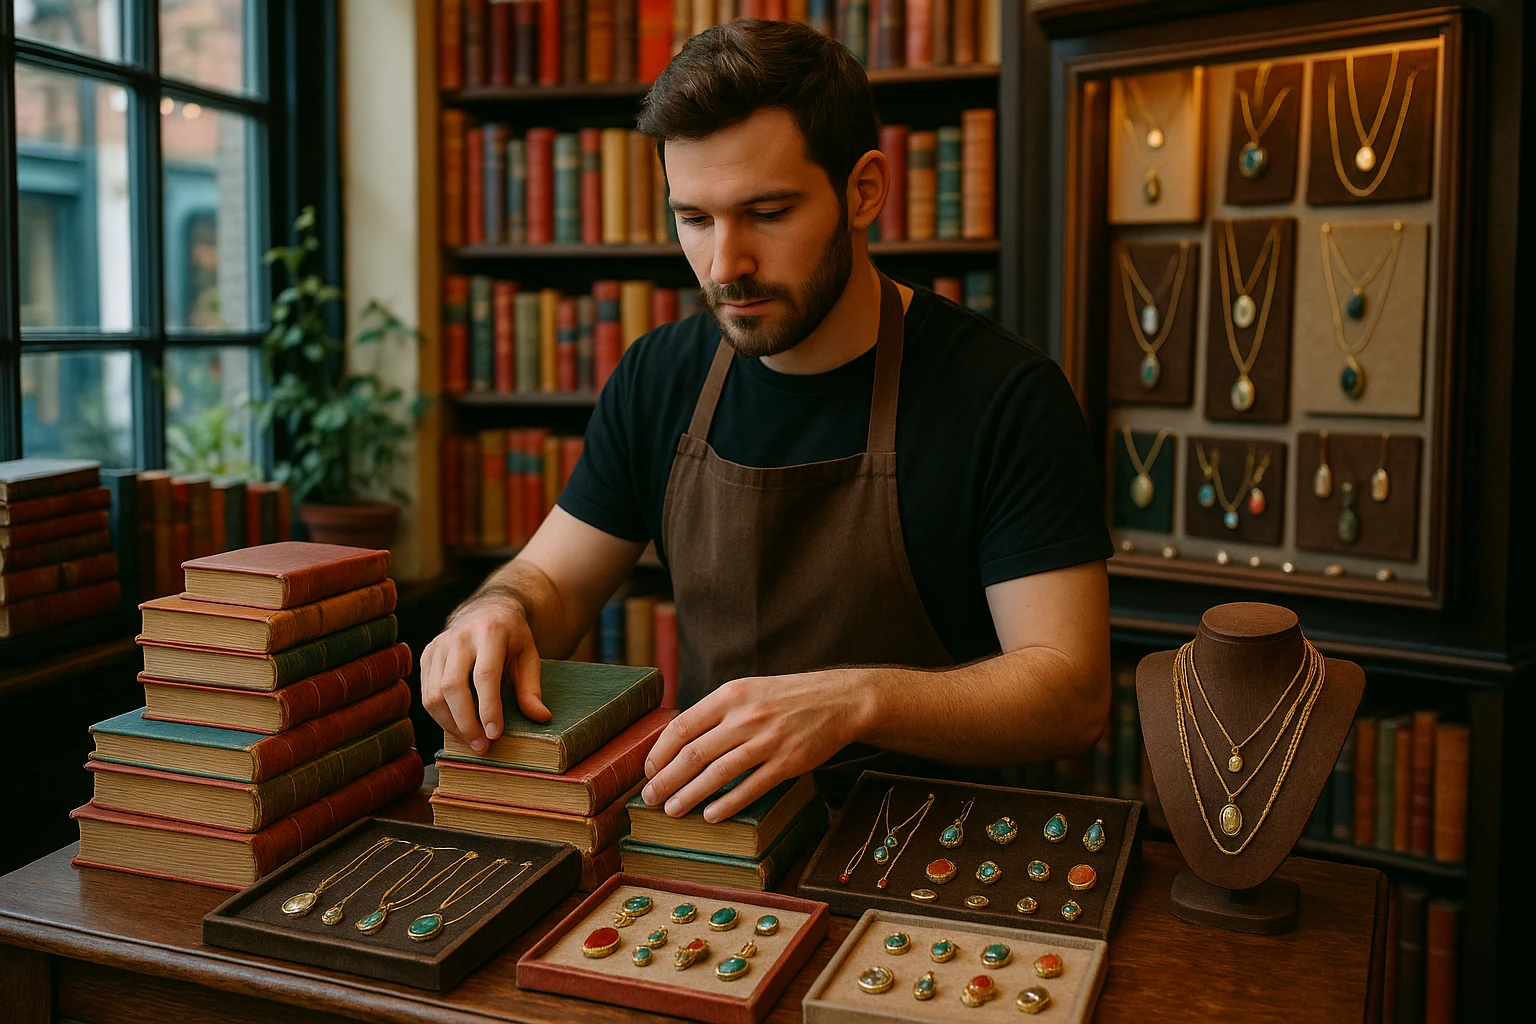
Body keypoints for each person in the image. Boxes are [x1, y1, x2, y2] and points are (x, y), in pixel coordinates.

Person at [421, 20, 1113, 824]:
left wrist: (856, 701)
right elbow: (551, 585)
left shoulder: (1004, 395)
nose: (725, 266)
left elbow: (1072, 692)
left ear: (864, 191)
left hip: (943, 854)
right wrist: (493, 612)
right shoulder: (658, 375)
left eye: (768, 212)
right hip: (720, 842)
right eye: (696, 219)